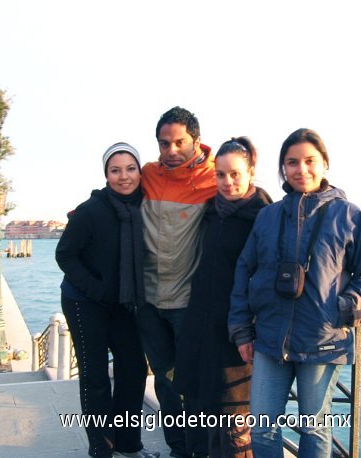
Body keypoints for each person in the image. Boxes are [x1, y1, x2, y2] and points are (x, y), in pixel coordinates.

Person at [228, 128, 361, 457]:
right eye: (292, 162)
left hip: (322, 339)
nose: (302, 169)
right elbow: (244, 271)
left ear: (325, 164)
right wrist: (242, 329)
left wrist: (346, 307)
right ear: (283, 169)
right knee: (261, 429)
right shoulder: (268, 216)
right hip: (270, 339)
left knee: (314, 429)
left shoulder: (348, 215)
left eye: (310, 161)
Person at [55, 142, 158, 458]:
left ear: (139, 171)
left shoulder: (146, 208)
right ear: (106, 174)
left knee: (134, 369)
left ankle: (128, 445)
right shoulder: (90, 211)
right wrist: (96, 290)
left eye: (130, 169)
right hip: (84, 302)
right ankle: (101, 449)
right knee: (95, 374)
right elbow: (65, 255)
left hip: (123, 303)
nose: (124, 177)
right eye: (115, 170)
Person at [174, 137, 272, 457]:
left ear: (251, 173)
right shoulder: (211, 213)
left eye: (235, 174)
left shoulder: (264, 216)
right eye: (220, 175)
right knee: (198, 412)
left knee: (233, 423)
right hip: (200, 326)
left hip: (238, 332)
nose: (227, 182)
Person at [137, 106, 216, 458]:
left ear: (196, 140)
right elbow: (115, 195)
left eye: (179, 142)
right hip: (150, 303)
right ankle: (179, 449)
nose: (170, 150)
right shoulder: (147, 175)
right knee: (165, 384)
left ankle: (201, 449)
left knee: (195, 384)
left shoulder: (216, 179)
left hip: (189, 303)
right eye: (163, 143)